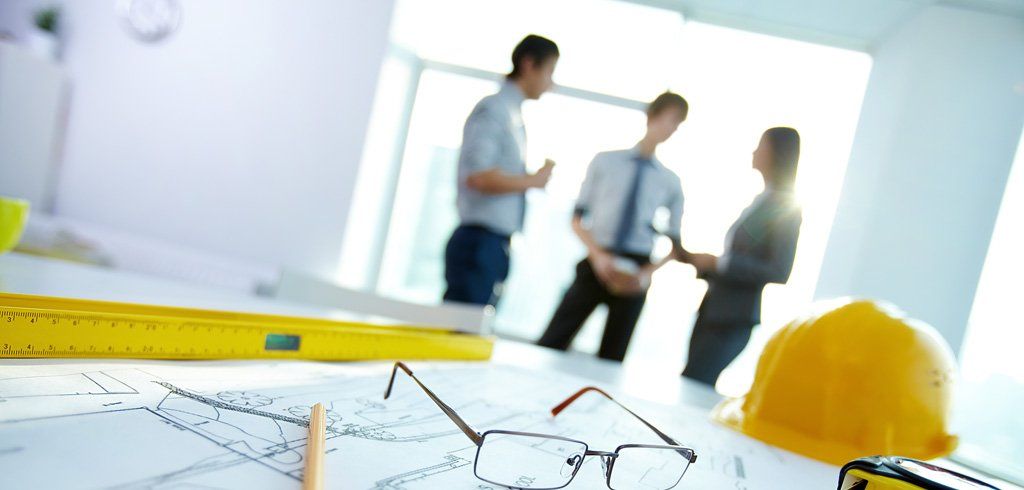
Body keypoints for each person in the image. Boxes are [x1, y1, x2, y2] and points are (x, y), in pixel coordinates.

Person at [536, 92, 690, 362]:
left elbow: (676, 244)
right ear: (653, 115)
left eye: (678, 125)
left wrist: (646, 274)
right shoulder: (605, 162)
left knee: (613, 359)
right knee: (552, 341)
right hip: (597, 260)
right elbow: (577, 218)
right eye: (671, 120)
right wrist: (599, 257)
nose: (672, 129)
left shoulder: (671, 182)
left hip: (636, 271)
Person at [680, 127, 803, 386]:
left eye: (761, 145)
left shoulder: (786, 207)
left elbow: (779, 270)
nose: (755, 151)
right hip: (713, 309)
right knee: (690, 381)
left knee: (694, 385)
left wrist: (720, 262)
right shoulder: (762, 201)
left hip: (733, 317)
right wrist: (703, 263)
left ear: (777, 153)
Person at [443, 35, 559, 307]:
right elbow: (479, 177)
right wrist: (532, 181)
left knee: (472, 334)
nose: (551, 83)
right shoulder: (495, 110)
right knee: (462, 334)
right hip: (478, 243)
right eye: (549, 71)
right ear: (529, 64)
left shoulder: (511, 114)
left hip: (492, 244)